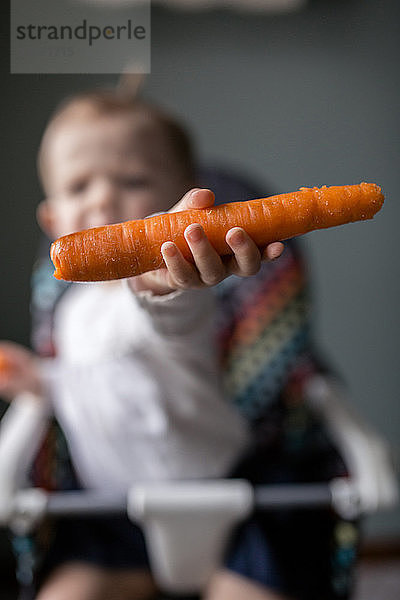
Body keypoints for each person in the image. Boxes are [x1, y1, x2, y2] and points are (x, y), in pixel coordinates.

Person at [0, 88, 318, 600]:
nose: (102, 199)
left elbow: (167, 319)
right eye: (79, 186)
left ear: (185, 199)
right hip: (110, 509)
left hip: (228, 497)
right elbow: (94, 380)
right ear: (54, 222)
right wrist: (40, 381)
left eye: (133, 181)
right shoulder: (67, 314)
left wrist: (163, 280)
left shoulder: (171, 291)